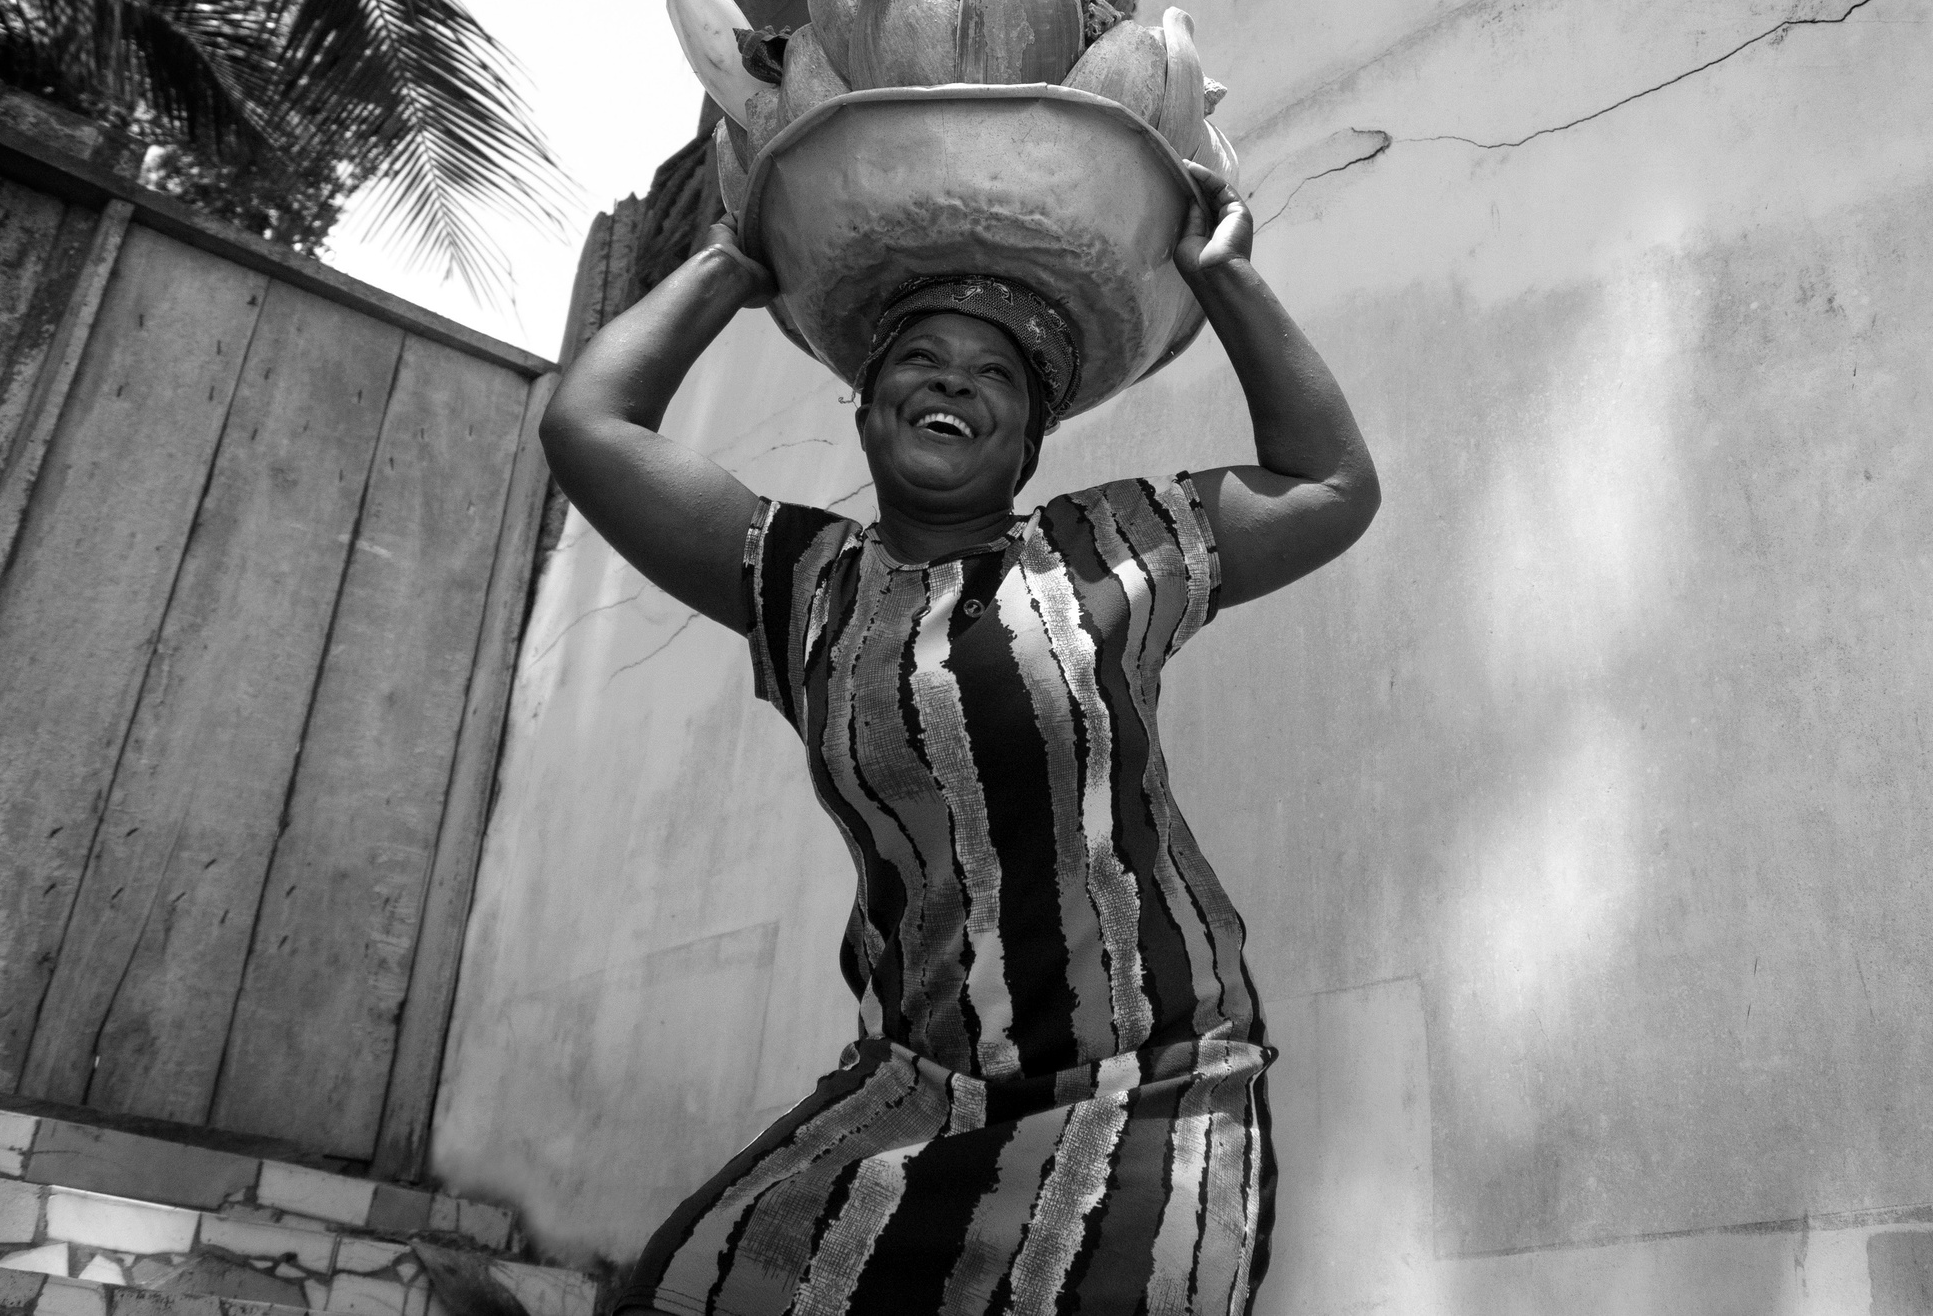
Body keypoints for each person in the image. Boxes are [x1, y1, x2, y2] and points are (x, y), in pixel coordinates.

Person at [540, 158, 1379, 1314]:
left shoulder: (1111, 549)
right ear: (868, 400)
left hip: (1145, 1096)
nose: (953, 383)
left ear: (1028, 442)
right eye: (920, 360)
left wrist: (1224, 280)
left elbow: (1331, 483)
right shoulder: (800, 583)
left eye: (995, 375)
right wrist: (732, 263)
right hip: (914, 1092)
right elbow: (588, 424)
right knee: (692, 1282)